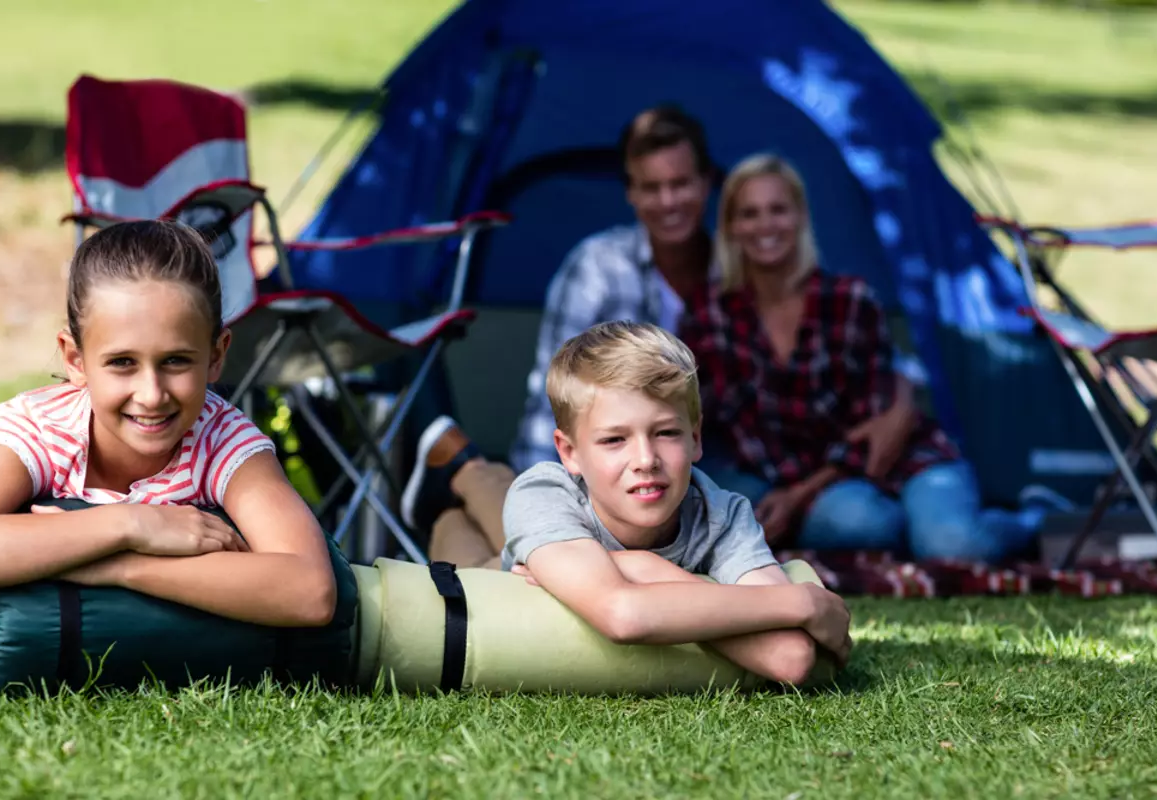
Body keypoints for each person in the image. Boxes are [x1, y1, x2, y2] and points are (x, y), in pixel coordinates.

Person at [401, 105, 916, 567]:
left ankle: (455, 492)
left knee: (541, 572)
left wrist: (903, 397)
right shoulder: (598, 269)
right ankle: (469, 478)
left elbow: (825, 332)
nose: (668, 201)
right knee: (543, 564)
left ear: (706, 184)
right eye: (651, 187)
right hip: (605, 463)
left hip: (702, 460)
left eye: (681, 184)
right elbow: (557, 399)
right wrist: (552, 487)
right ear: (630, 193)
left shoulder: (738, 267)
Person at [681, 152, 1048, 562]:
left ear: (800, 217)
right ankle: (914, 531)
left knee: (954, 546)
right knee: (859, 522)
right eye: (749, 213)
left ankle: (1035, 520)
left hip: (899, 460)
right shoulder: (710, 316)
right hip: (824, 485)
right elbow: (700, 416)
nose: (765, 225)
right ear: (731, 227)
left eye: (778, 210)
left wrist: (797, 497)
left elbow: (874, 438)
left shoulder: (848, 299)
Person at [0, 220, 338, 627]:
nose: (151, 394)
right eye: (122, 363)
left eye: (176, 361)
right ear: (76, 360)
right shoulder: (43, 429)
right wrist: (129, 524)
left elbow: (310, 592)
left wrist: (119, 566)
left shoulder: (221, 441)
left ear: (216, 355)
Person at [497, 320, 852, 686]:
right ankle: (467, 472)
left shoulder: (721, 515)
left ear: (695, 438)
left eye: (666, 433)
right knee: (473, 535)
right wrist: (804, 603)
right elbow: (622, 616)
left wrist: (637, 568)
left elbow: (789, 656)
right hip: (498, 554)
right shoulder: (544, 494)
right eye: (615, 440)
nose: (646, 459)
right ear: (569, 452)